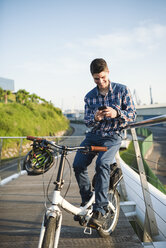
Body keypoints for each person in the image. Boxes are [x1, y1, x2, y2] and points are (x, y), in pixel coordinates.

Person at [73, 58, 136, 227]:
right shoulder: (89, 96)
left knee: (102, 164)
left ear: (108, 72)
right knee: (78, 164)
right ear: (92, 77)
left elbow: (132, 115)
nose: (100, 82)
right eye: (96, 79)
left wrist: (117, 113)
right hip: (93, 136)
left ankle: (100, 210)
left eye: (103, 77)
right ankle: (87, 202)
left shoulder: (123, 90)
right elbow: (87, 122)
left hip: (113, 136)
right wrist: (95, 118)